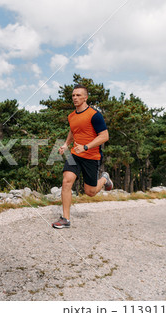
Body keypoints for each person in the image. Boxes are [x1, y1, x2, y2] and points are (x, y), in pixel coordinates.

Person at [52, 84, 113, 229]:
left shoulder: (94, 115)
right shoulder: (71, 116)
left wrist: (86, 147)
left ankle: (104, 178)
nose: (75, 98)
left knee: (90, 192)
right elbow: (73, 131)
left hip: (91, 156)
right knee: (67, 181)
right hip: (75, 154)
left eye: (78, 95)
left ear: (86, 97)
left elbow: (104, 136)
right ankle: (65, 219)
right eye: (73, 95)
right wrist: (66, 144)